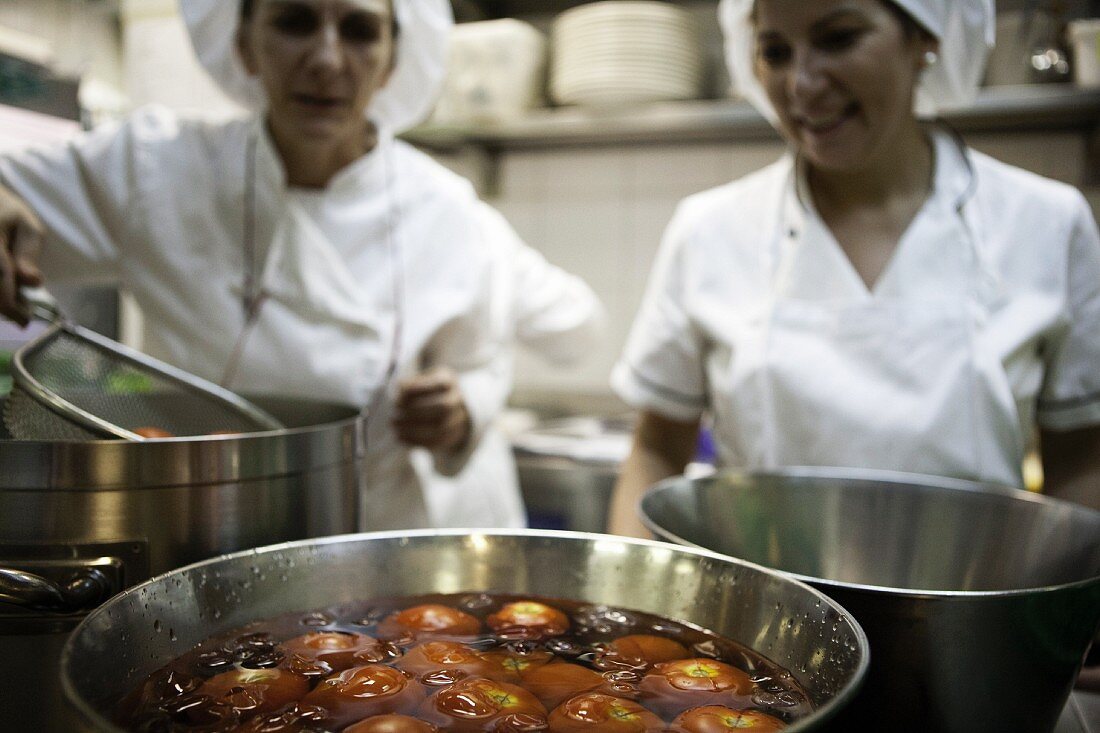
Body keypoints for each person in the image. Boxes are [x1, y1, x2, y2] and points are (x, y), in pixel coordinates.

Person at [0, 0, 573, 529]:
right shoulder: (157, 170)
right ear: (244, 42)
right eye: (295, 21)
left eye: (358, 30)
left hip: (383, 528)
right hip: (209, 524)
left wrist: (461, 410)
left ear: (392, 59)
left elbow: (482, 362)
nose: (326, 59)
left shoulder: (447, 209)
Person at [608, 0, 1100, 537]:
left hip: (971, 608)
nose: (801, 84)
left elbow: (1081, 462)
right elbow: (657, 448)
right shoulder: (710, 230)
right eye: (776, 52)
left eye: (838, 39)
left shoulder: (1046, 224)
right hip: (761, 612)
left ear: (925, 39)